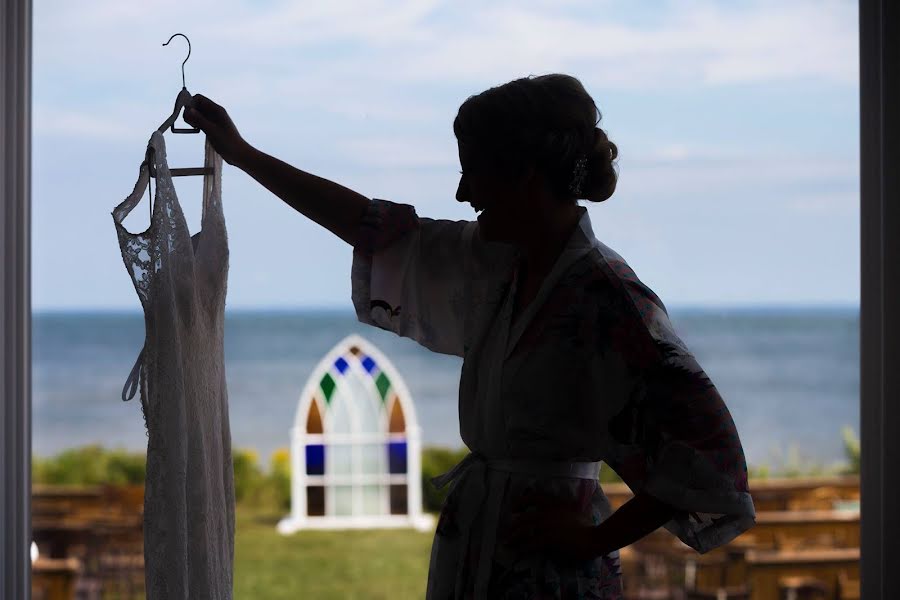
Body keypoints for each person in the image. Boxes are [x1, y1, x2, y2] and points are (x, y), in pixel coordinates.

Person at [184, 73, 756, 599]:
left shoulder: (609, 300)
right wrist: (243, 155)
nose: (461, 192)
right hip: (477, 551)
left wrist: (593, 540)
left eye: (473, 170)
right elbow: (369, 225)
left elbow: (713, 458)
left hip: (546, 573)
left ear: (525, 175)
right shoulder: (498, 266)